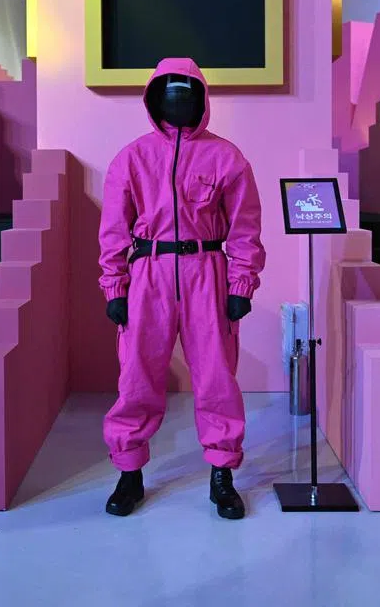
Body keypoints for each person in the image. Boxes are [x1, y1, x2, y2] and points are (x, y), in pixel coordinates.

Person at [99, 57, 265, 520]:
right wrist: (114, 285)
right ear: (154, 98)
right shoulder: (131, 157)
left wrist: (241, 282)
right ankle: (129, 471)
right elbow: (113, 228)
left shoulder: (227, 158)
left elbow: (246, 227)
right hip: (147, 274)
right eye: (169, 91)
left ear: (202, 98)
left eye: (188, 90)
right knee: (136, 376)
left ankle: (222, 472)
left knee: (216, 375)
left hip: (206, 272)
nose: (179, 99)